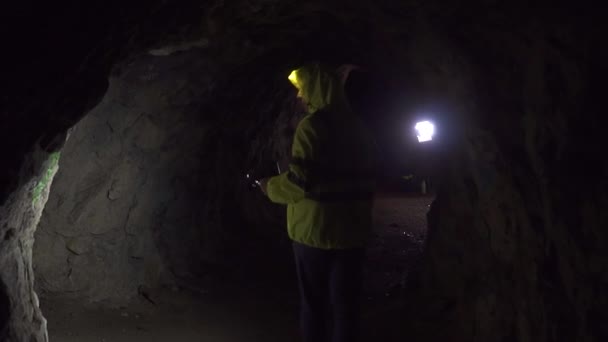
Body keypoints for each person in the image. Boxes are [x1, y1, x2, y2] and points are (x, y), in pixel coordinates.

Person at [259, 62, 376, 342]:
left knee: (315, 305)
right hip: (353, 232)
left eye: (303, 89)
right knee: (347, 307)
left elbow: (299, 183)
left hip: (315, 231)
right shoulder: (360, 128)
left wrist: (268, 187)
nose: (300, 96)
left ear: (317, 88)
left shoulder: (313, 127)